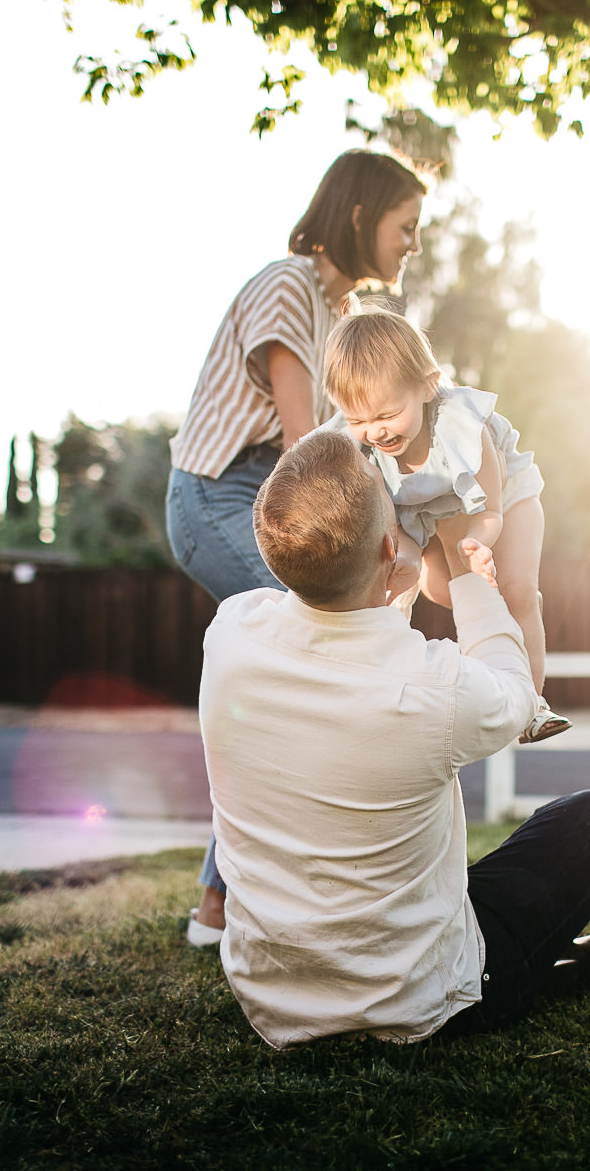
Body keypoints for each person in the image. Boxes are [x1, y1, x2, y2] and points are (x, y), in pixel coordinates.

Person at [201, 430, 590, 1046]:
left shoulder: (231, 631)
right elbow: (517, 690)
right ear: (389, 546)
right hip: (417, 1002)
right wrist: (462, 564)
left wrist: (391, 572)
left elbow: (355, 630)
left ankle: (559, 960)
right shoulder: (436, 688)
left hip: (274, 1000)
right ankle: (556, 969)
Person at [165, 150, 427, 947]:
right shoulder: (288, 285)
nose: (413, 244)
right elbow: (304, 447)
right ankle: (222, 906)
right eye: (406, 226)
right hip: (221, 498)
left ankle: (222, 905)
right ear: (360, 216)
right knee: (313, 658)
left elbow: (354, 441)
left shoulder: (341, 314)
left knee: (304, 671)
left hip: (270, 494)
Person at [319, 306, 570, 745]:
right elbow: (391, 518)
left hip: (504, 498)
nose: (375, 431)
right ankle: (506, 617)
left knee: (515, 591)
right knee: (442, 590)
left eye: (387, 415)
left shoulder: (461, 428)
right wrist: (407, 558)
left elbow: (490, 512)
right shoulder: (363, 448)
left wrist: (477, 543)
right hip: (432, 514)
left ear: (427, 385)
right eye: (358, 421)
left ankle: (532, 705)